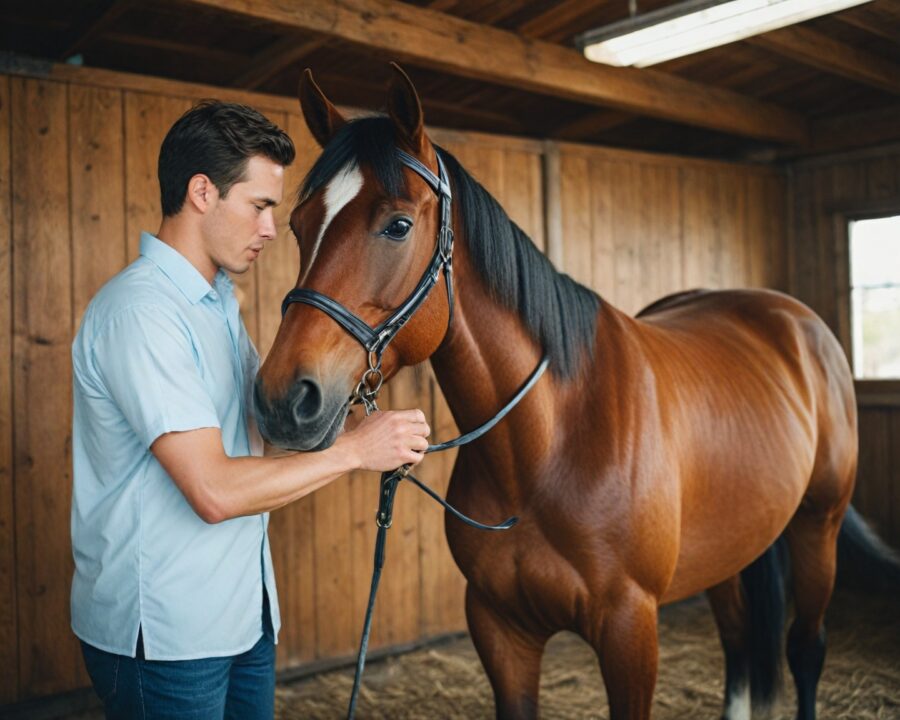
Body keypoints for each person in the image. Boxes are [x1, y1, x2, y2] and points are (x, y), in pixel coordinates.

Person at [70, 100, 429, 719]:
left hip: (242, 616)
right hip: (167, 638)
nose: (269, 228)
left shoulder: (213, 303)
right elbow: (212, 490)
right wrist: (354, 453)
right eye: (259, 205)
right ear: (202, 193)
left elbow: (260, 431)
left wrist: (355, 424)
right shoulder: (143, 313)